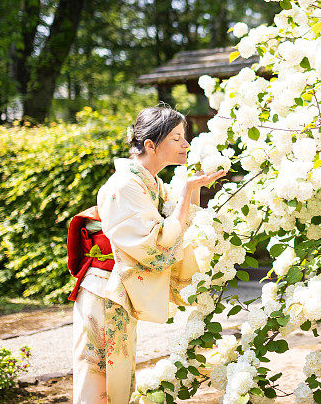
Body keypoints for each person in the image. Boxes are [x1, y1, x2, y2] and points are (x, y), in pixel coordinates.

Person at [72, 105, 227, 403]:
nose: (186, 145)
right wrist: (185, 192)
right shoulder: (125, 185)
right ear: (150, 144)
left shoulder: (150, 182)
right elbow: (155, 243)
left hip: (117, 289)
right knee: (98, 379)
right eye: (177, 138)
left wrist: (194, 186)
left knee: (118, 377)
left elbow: (182, 221)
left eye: (185, 138)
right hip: (103, 288)